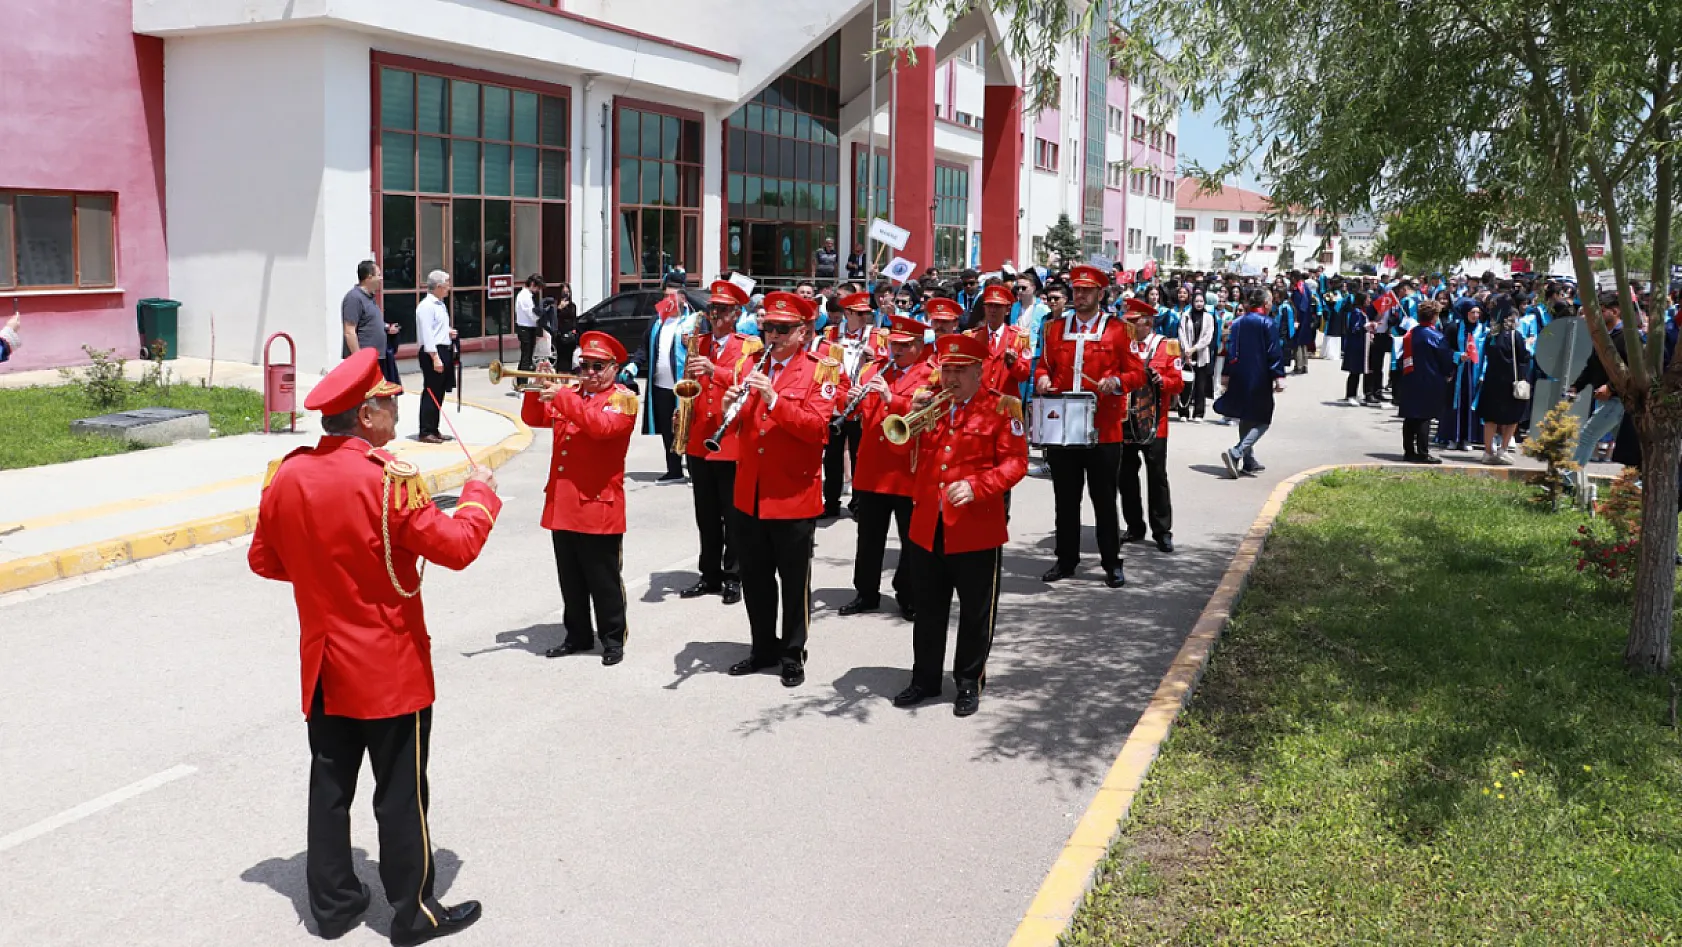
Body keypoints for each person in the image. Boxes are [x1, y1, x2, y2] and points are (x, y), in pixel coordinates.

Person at [248, 347, 500, 946]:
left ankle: (334, 907)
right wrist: (479, 495)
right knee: (400, 795)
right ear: (364, 415)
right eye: (387, 401)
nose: (396, 409)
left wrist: (324, 577)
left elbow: (264, 559)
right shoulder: (388, 480)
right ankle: (413, 915)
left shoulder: (288, 474)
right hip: (389, 670)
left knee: (330, 789)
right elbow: (458, 547)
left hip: (325, 667)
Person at [888, 332, 1028, 716]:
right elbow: (899, 451)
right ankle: (924, 679)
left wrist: (978, 486)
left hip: (975, 527)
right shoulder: (929, 404)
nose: (950, 378)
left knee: (975, 612)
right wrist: (911, 412)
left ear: (979, 372)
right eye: (946, 369)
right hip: (927, 524)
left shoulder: (1002, 408)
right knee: (928, 608)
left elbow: (1016, 463)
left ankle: (968, 681)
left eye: (959, 371)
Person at [725, 292, 837, 688]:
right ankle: (762, 648)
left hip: (792, 493)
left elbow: (816, 429)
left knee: (793, 582)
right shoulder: (751, 364)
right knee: (755, 579)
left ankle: (792, 654)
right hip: (750, 491)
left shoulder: (821, 372)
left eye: (783, 329)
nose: (772, 335)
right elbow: (743, 427)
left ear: (803, 332)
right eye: (768, 327)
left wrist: (773, 399)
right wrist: (729, 407)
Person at [531, 332, 639, 665]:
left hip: (597, 503)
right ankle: (577, 635)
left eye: (597, 366)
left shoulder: (623, 400)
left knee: (603, 579)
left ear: (614, 368)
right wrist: (537, 387)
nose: (589, 372)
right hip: (564, 502)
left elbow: (600, 428)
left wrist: (562, 396)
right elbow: (534, 418)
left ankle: (612, 639)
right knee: (571, 578)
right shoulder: (573, 395)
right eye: (584, 365)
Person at [1035, 264, 1146, 589]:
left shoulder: (1119, 330)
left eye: (1087, 290)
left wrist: (1117, 382)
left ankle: (1111, 561)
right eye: (1077, 290)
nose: (1080, 295)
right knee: (1065, 499)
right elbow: (1043, 366)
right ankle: (1066, 559)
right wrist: (1041, 379)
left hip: (1104, 429)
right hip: (1063, 428)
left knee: (1104, 499)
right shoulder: (1055, 328)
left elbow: (1137, 373)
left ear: (1100, 293)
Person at [838, 315, 935, 620]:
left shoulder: (931, 375)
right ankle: (865, 593)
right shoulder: (874, 369)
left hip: (907, 469)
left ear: (919, 345)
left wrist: (891, 398)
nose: (897, 351)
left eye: (904, 346)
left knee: (910, 539)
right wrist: (849, 400)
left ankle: (909, 595)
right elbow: (857, 413)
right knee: (868, 538)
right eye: (894, 345)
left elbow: (926, 415)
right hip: (873, 466)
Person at [678, 281, 762, 605]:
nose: (715, 314)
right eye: (712, 308)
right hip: (700, 438)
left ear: (736, 314)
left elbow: (748, 383)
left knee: (733, 515)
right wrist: (682, 411)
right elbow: (688, 383)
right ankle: (709, 574)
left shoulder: (747, 346)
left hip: (729, 439)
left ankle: (734, 576)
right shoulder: (697, 343)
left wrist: (715, 369)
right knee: (706, 514)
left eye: (722, 310)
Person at [1120, 297, 1184, 551]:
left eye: (1133, 322)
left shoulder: (1168, 346)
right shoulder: (1122, 346)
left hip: (1155, 423)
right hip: (1125, 422)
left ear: (1147, 323)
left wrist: (1162, 380)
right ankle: (1134, 526)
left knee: (1157, 476)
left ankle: (1162, 530)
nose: (1128, 327)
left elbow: (1178, 383)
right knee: (1125, 477)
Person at [820, 292, 887, 517]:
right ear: (847, 313)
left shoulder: (876, 335)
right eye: (859, 313)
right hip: (836, 402)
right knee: (832, 457)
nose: (865, 317)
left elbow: (885, 365)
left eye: (866, 313)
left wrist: (874, 357)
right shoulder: (830, 333)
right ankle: (830, 502)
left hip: (862, 401)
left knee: (860, 456)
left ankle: (858, 504)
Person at [1215, 288, 1287, 477]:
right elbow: (1273, 351)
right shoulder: (1267, 323)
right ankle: (1237, 452)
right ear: (1266, 303)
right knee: (1264, 418)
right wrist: (1278, 376)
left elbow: (1231, 349)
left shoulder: (1238, 322)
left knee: (1246, 416)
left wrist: (1226, 373)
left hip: (1239, 374)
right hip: (1259, 376)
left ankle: (1248, 460)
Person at [634, 274, 694, 484]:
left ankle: (695, 472)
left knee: (688, 429)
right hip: (661, 385)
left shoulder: (694, 321)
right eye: (665, 296)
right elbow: (644, 347)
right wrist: (634, 365)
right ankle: (674, 470)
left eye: (672, 297)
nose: (667, 300)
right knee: (668, 430)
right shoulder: (657, 320)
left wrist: (691, 343)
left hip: (685, 387)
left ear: (682, 299)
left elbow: (705, 348)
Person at [1570, 292, 1629, 469]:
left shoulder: (1627, 337)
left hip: (1619, 399)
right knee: (1628, 444)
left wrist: (1610, 388)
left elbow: (1630, 370)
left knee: (1588, 435)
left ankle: (1569, 478)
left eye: (1602, 311)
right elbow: (1592, 365)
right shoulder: (1602, 336)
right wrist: (1576, 386)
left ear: (1615, 311)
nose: (1598, 316)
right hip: (1604, 399)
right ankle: (1635, 479)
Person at [1395, 300, 1454, 463]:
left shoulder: (1411, 333)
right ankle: (1422, 452)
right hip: (1430, 380)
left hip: (1410, 377)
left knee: (1410, 416)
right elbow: (1445, 358)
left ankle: (1408, 451)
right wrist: (1449, 372)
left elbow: (1401, 357)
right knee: (1424, 416)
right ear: (1434, 316)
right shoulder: (1436, 336)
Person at [1475, 306, 1533, 465]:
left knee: (1490, 419)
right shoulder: (1516, 336)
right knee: (1513, 417)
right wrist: (1529, 344)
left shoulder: (1490, 335)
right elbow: (1524, 357)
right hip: (1511, 382)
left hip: (1492, 381)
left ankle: (1488, 452)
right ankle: (1503, 449)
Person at [967, 282, 1034, 394]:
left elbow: (1024, 375)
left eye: (998, 306)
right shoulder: (972, 337)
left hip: (1006, 401)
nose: (993, 310)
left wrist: (1014, 364)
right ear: (984, 308)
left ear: (1007, 310)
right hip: (979, 401)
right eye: (989, 305)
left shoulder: (1019, 338)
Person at [415, 270, 456, 445]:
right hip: (432, 352)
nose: (449, 288)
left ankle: (434, 428)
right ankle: (425, 430)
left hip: (443, 349)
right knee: (431, 390)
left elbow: (436, 328)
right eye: (447, 285)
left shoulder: (440, 305)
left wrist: (448, 332)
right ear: (438, 286)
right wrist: (435, 357)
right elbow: (427, 334)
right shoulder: (426, 306)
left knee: (439, 392)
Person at [1439, 302, 1485, 451]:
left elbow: (1487, 353)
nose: (1475, 316)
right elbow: (1445, 349)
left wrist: (1484, 372)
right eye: (1472, 312)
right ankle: (1452, 437)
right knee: (1455, 404)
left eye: (1477, 313)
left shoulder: (1483, 330)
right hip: (1457, 371)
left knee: (1471, 404)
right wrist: (1458, 356)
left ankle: (1467, 438)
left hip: (1475, 372)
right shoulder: (1455, 328)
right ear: (1465, 313)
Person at [1178, 292, 1215, 420]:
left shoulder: (1208, 317)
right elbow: (1181, 333)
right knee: (1186, 385)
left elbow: (1207, 337)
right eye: (1196, 301)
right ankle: (1183, 412)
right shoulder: (1185, 316)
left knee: (1200, 386)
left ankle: (1198, 413)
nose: (1199, 304)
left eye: (1201, 301)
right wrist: (1187, 350)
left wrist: (1194, 349)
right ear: (1192, 303)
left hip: (1201, 355)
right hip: (1187, 355)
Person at [341, 261, 386, 360]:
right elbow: (349, 332)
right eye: (378, 275)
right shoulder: (354, 298)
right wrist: (359, 359)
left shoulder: (370, 298)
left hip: (376, 358)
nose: (381, 278)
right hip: (364, 360)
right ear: (369, 277)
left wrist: (386, 327)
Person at [513, 273, 546, 375]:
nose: (538, 290)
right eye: (538, 287)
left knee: (526, 357)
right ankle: (522, 381)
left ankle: (521, 380)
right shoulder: (525, 296)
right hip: (526, 329)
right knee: (526, 358)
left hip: (526, 328)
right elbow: (532, 314)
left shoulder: (525, 295)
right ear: (532, 284)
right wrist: (541, 315)